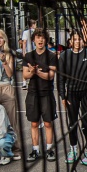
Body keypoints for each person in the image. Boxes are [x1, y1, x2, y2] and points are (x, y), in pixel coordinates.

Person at [56, 30, 87, 166]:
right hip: (72, 93)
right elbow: (60, 77)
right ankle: (73, 150)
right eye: (74, 39)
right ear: (70, 41)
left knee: (85, 123)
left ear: (83, 41)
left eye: (79, 39)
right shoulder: (64, 56)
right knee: (72, 123)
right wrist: (63, 95)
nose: (77, 42)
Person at [22, 30, 57, 161]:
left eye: (42, 38)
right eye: (38, 37)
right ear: (33, 40)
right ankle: (35, 150)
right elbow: (25, 75)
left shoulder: (51, 56)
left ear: (46, 40)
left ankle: (49, 150)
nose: (40, 40)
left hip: (47, 94)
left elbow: (50, 76)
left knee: (48, 123)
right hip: (32, 94)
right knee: (34, 124)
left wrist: (36, 72)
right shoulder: (28, 56)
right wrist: (32, 72)